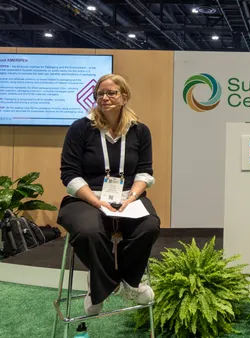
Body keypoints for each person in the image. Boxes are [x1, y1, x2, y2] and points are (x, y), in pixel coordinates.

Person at [57, 74, 161, 315]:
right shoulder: (80, 128)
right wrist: (96, 201)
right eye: (100, 94)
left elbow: (145, 172)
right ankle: (103, 284)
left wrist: (132, 197)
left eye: (111, 93)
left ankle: (128, 281)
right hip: (86, 198)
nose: (105, 98)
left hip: (127, 197)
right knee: (89, 231)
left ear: (124, 96)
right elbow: (69, 174)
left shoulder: (140, 131)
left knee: (149, 226)